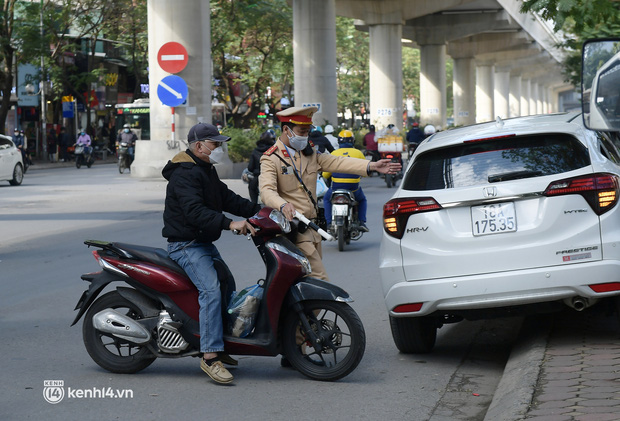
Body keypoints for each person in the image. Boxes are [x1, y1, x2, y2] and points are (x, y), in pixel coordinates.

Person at [162, 122, 260, 385]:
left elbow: (227, 198)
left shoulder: (204, 170)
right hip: (185, 245)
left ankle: (222, 343)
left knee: (228, 284)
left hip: (202, 243)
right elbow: (194, 211)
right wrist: (230, 224)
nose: (218, 148)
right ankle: (209, 356)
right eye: (214, 144)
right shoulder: (184, 173)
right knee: (211, 290)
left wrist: (261, 212)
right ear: (198, 146)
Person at [259, 106, 400, 282]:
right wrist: (282, 204)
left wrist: (371, 166)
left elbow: (337, 162)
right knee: (320, 281)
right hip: (295, 229)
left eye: (308, 131)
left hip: (313, 230)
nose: (305, 135)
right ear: (286, 129)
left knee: (303, 284)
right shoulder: (271, 158)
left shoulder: (308, 153)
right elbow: (266, 191)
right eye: (301, 131)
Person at [323, 129, 369, 233]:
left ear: (339, 141)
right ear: (352, 141)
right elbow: (366, 171)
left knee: (326, 199)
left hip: (336, 188)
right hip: (353, 188)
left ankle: (329, 222)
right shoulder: (358, 153)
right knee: (362, 200)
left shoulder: (333, 153)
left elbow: (325, 174)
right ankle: (362, 222)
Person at [246, 130, 275, 204]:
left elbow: (250, 168)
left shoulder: (255, 151)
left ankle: (254, 204)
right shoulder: (274, 151)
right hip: (272, 176)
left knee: (252, 187)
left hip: (257, 176)